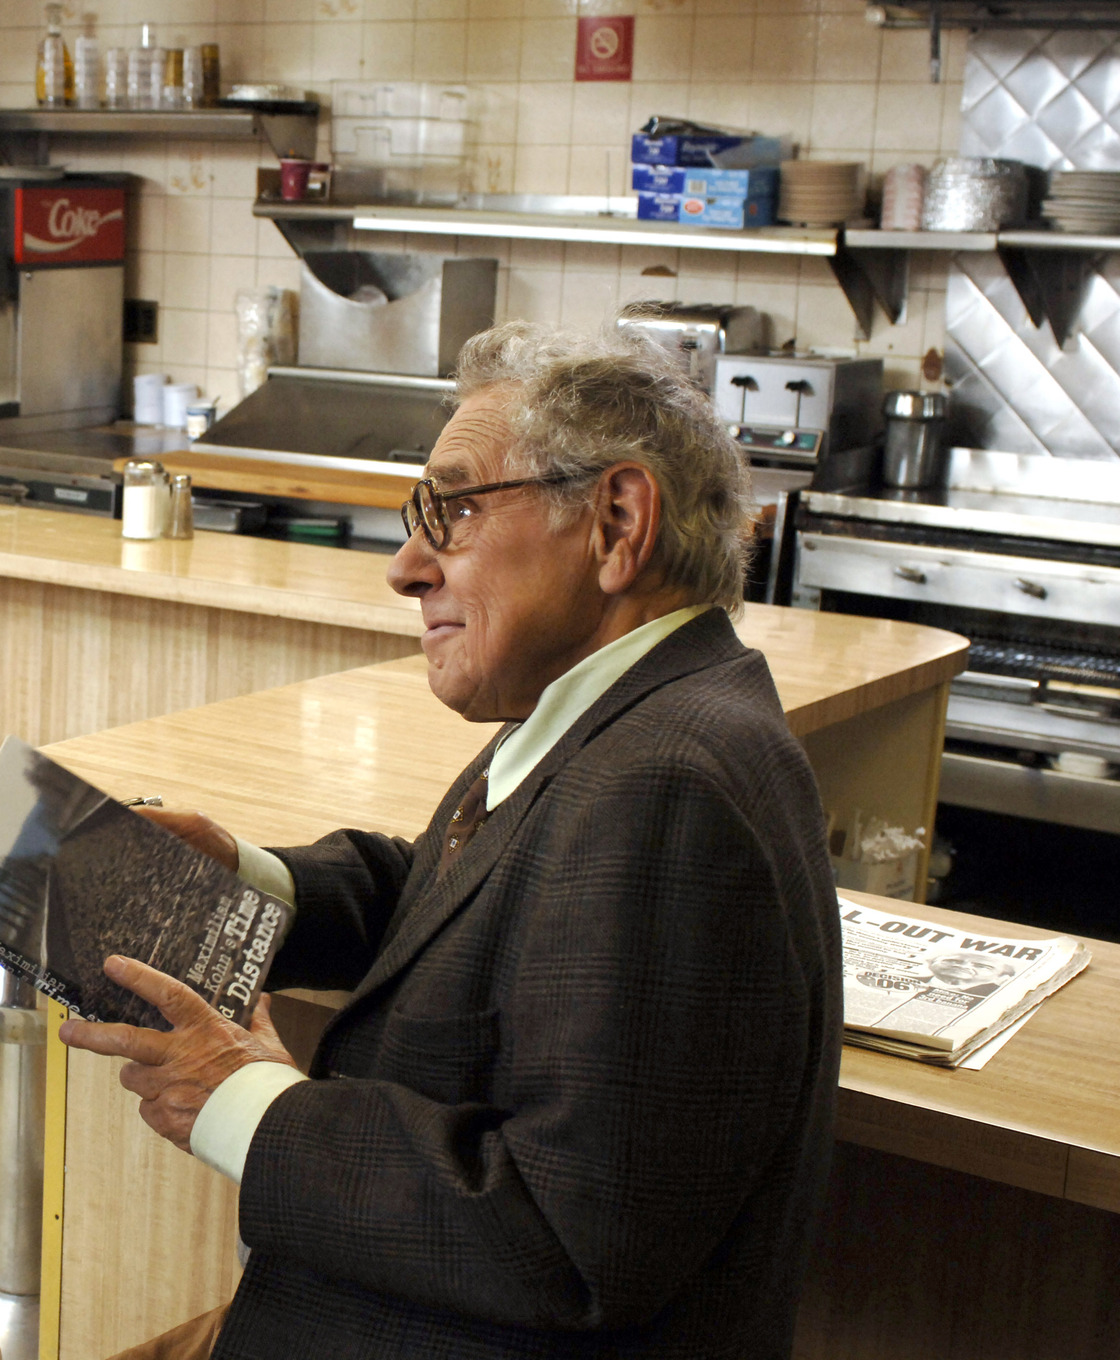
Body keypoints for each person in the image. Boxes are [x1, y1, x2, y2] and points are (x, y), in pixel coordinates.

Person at [60, 322, 843, 1359]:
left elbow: (568, 1240)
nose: (405, 567)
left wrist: (244, 1099)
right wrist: (244, 881)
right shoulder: (626, 711)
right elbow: (465, 890)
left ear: (614, 521)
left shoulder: (665, 786)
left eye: (453, 510)